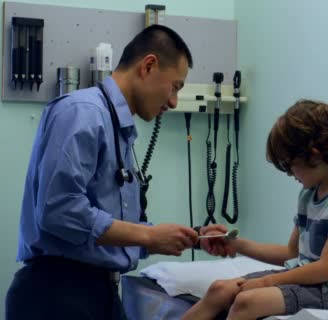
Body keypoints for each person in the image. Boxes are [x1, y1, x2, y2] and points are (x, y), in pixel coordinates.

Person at [5, 25, 225, 320]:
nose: (173, 102)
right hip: (57, 296)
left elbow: (110, 229)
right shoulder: (83, 112)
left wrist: (189, 236)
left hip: (98, 293)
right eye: (175, 87)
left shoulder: (116, 129)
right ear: (148, 66)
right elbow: (59, 210)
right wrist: (148, 235)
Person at [182, 100, 328, 320]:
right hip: (313, 281)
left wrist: (266, 282)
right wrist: (235, 243)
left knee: (246, 302)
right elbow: (291, 253)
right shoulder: (309, 194)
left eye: (290, 165)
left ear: (314, 155)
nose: (289, 174)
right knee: (219, 290)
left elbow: (325, 269)